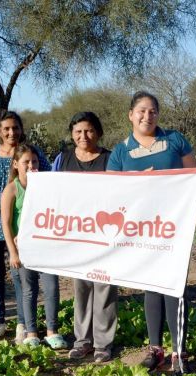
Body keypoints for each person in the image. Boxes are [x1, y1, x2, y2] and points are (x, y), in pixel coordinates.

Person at [107, 91, 196, 376]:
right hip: (141, 229)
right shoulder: (120, 152)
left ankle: (179, 351)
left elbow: (194, 178)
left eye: (153, 111)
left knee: (175, 287)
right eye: (141, 110)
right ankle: (155, 349)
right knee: (151, 286)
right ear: (130, 114)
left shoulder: (175, 140)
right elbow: (109, 190)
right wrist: (138, 182)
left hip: (174, 225)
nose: (147, 116)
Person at [0, 111, 51, 343]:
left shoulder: (33, 153)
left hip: (21, 226)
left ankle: (23, 323)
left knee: (20, 277)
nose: (12, 132)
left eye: (16, 128)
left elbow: (49, 178)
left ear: (21, 129)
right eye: (7, 128)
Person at [52, 112, 117, 362]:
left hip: (106, 233)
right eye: (78, 132)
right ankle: (82, 340)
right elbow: (54, 192)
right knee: (81, 288)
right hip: (76, 233)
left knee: (104, 286)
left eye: (89, 131)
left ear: (98, 132)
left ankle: (103, 343)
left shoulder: (110, 159)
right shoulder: (63, 159)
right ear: (72, 134)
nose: (83, 136)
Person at [1, 143, 66, 349]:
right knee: (29, 290)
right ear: (15, 165)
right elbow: (6, 223)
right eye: (26, 162)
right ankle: (31, 332)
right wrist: (12, 252)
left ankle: (52, 331)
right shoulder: (11, 189)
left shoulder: (46, 187)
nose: (31, 165)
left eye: (35, 161)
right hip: (23, 251)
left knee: (51, 288)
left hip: (47, 249)